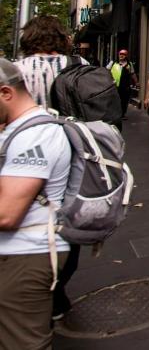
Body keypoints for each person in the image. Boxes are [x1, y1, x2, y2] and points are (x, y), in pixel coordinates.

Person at [0, 58, 72, 348]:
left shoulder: (36, 135)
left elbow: (7, 214)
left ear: (6, 93)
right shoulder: (17, 130)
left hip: (27, 253)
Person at [15, 15, 82, 321]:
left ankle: (36, 285)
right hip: (69, 152)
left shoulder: (14, 70)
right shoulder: (77, 64)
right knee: (66, 216)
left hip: (24, 151)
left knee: (25, 213)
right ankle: (56, 286)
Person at [106, 49, 138, 126]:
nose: (121, 55)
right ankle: (114, 113)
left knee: (124, 100)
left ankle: (122, 114)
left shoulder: (129, 64)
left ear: (126, 55)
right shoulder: (113, 62)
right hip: (114, 85)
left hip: (125, 86)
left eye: (123, 54)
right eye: (120, 54)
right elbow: (106, 70)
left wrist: (136, 82)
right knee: (114, 100)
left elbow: (132, 74)